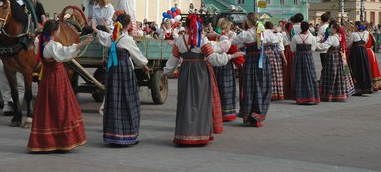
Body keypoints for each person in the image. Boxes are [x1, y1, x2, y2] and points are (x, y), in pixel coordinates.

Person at [162, 13, 244, 145]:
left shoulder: (180, 41)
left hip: (185, 73)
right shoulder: (202, 40)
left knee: (185, 101)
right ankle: (200, 134)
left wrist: (165, 72)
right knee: (201, 102)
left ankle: (185, 134)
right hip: (201, 72)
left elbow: (173, 61)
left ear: (187, 26)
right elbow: (214, 59)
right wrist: (230, 56)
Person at [27, 20, 93, 152]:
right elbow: (65, 53)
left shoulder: (40, 41)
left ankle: (45, 141)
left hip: (46, 77)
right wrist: (81, 44)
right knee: (61, 107)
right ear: (55, 32)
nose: (59, 32)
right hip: (57, 77)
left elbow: (40, 40)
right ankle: (62, 140)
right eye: (58, 30)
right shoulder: (52, 45)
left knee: (47, 108)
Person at [93, 13, 149, 146]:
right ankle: (127, 135)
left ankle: (112, 134)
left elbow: (102, 36)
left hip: (112, 71)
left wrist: (95, 29)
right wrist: (144, 65)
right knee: (128, 99)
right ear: (128, 25)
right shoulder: (127, 40)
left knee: (113, 99)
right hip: (124, 71)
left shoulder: (113, 37)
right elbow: (137, 55)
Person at [232, 13, 276, 127]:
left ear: (248, 21)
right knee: (264, 86)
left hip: (250, 62)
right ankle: (258, 114)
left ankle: (249, 114)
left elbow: (234, 42)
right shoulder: (266, 33)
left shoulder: (245, 34)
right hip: (263, 61)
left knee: (250, 88)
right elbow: (275, 40)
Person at [290, 21, 320, 105]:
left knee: (299, 76)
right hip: (308, 57)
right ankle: (311, 96)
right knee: (311, 76)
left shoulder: (296, 37)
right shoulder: (312, 38)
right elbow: (313, 49)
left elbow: (292, 49)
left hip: (299, 57)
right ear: (308, 28)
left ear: (301, 28)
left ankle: (300, 97)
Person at [316, 23, 347, 102]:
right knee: (337, 74)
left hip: (332, 57)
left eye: (331, 28)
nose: (329, 30)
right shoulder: (339, 36)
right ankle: (338, 94)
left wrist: (315, 44)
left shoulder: (332, 37)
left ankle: (329, 94)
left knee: (330, 74)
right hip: (337, 57)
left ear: (334, 29)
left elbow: (324, 46)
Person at [347, 21, 372, 95]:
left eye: (355, 26)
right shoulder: (366, 33)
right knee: (364, 68)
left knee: (356, 68)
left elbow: (349, 44)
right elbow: (366, 42)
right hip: (364, 52)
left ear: (357, 27)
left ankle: (357, 88)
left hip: (356, 52)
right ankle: (366, 87)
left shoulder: (353, 34)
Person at [364, 22, 381, 91]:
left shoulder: (365, 34)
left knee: (367, 67)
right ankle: (375, 84)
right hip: (371, 52)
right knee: (373, 68)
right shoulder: (370, 33)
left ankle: (368, 84)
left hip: (366, 52)